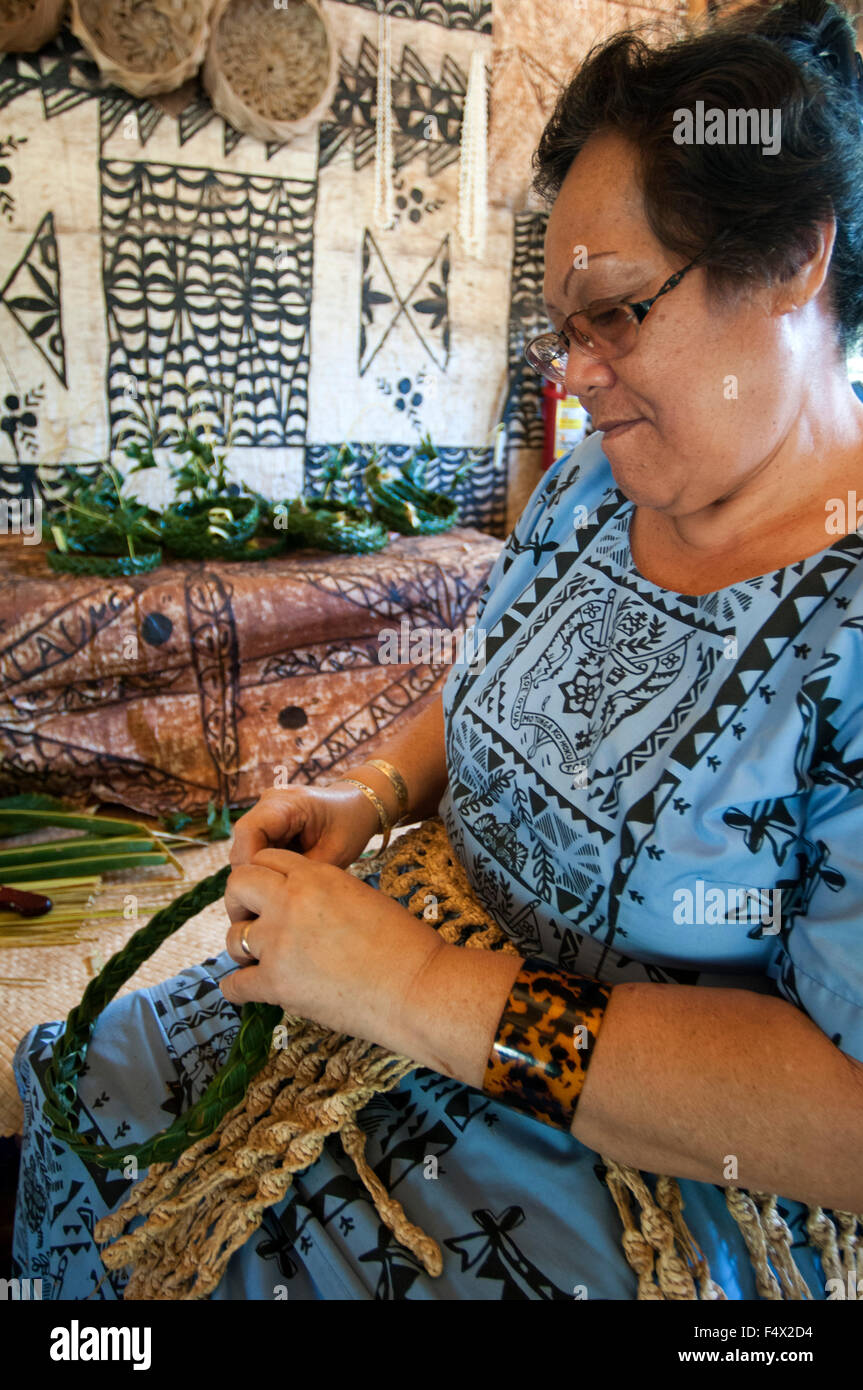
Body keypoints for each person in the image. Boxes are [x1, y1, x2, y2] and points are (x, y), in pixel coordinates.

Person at [13, 0, 863, 1299]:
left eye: (620, 314)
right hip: (418, 961)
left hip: (653, 1158)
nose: (579, 378)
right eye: (561, 331)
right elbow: (490, 674)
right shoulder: (591, 489)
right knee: (90, 1077)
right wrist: (376, 790)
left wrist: (419, 987)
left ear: (799, 258)